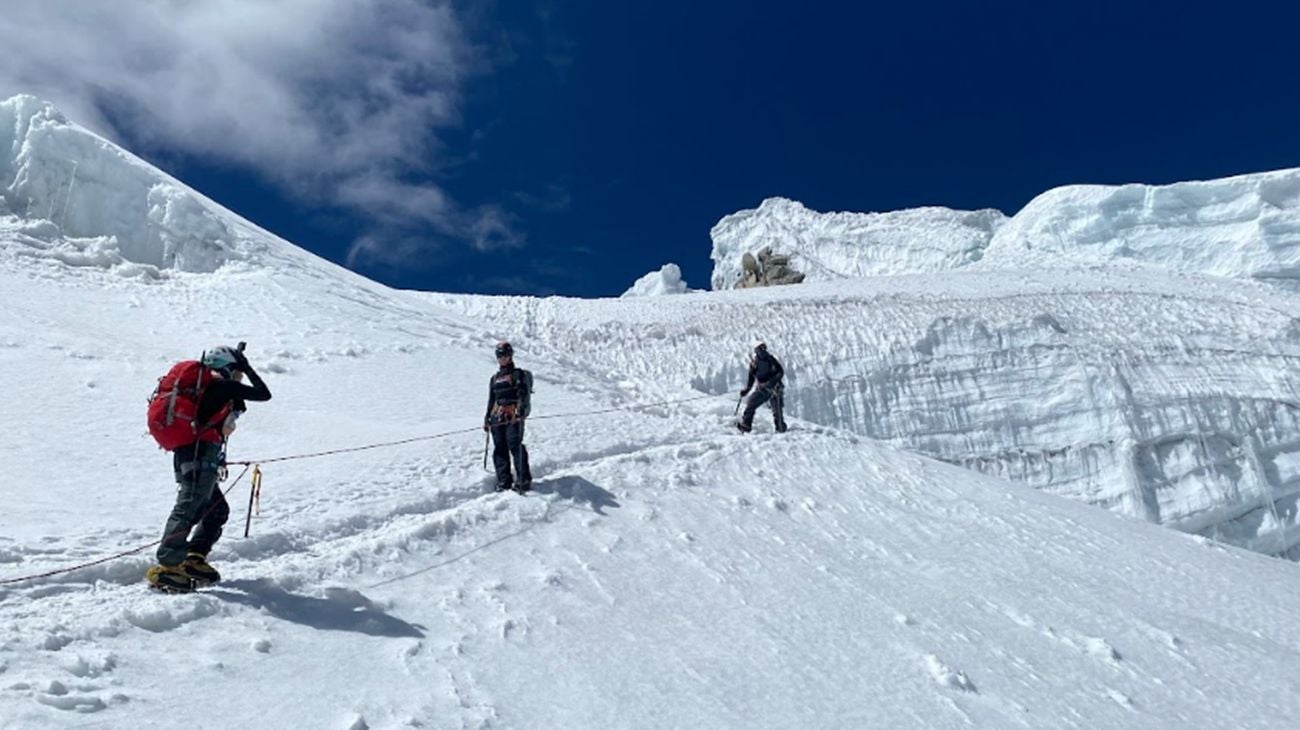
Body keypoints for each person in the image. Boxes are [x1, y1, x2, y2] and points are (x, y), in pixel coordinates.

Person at [146, 345, 272, 592]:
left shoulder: (209, 389)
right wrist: (246, 367)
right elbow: (263, 393)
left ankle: (194, 558)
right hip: (200, 454)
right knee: (189, 506)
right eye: (236, 371)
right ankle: (169, 565)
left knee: (214, 509)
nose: (239, 376)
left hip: (189, 453)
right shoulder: (220, 386)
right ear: (227, 367)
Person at [484, 341, 533, 493]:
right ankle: (504, 480)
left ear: (510, 355)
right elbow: (492, 399)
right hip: (497, 417)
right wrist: (487, 418)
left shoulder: (518, 374)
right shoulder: (494, 378)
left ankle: (523, 479)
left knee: (515, 445)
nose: (502, 358)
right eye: (500, 356)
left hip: (514, 415)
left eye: (505, 355)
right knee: (500, 448)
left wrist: (521, 411)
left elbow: (523, 394)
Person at [737, 341, 787, 433]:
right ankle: (746, 425)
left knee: (776, 410)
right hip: (767, 388)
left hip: (774, 388)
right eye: (761, 349)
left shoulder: (770, 360)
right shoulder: (757, 363)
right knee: (753, 403)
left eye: (763, 348)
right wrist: (746, 390)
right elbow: (751, 379)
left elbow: (780, 372)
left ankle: (780, 428)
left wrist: (772, 382)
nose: (763, 350)